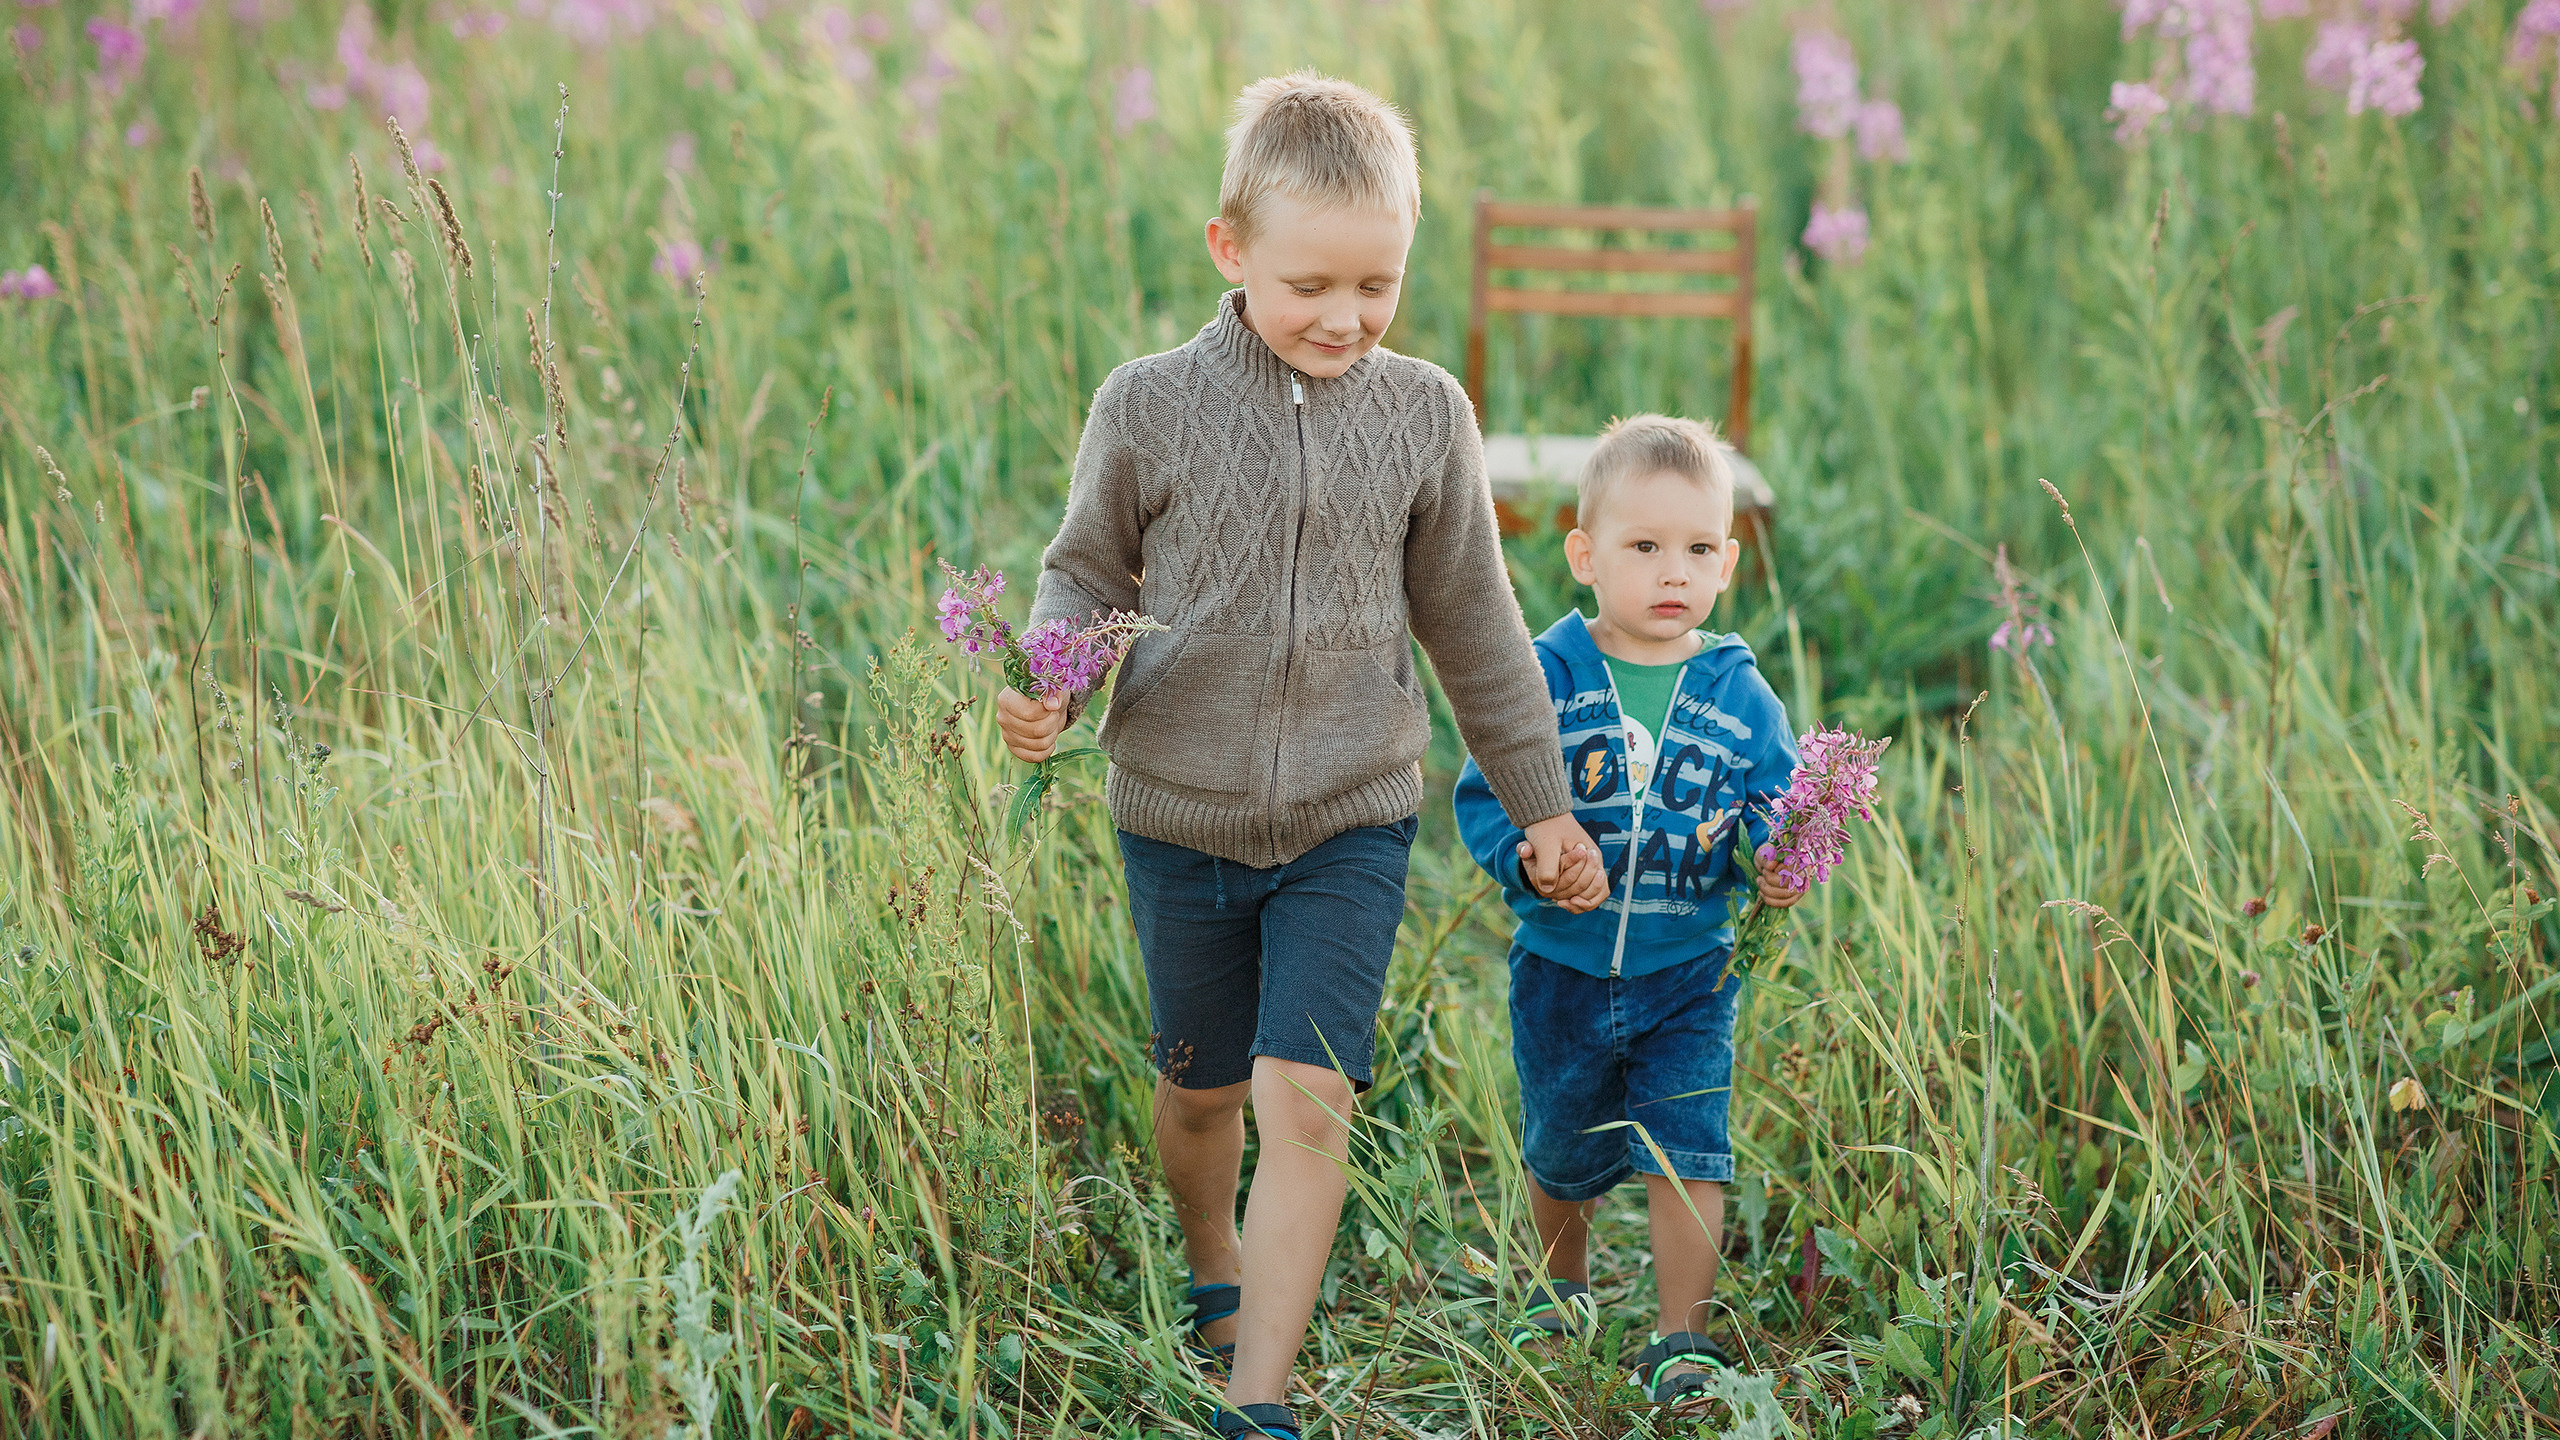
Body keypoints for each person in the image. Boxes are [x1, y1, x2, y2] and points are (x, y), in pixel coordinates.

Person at [996, 70, 1608, 1440]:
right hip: (1178, 811)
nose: (1344, 318)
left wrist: (1544, 809)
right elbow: (1082, 575)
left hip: (1351, 814)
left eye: (1377, 286)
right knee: (1204, 1091)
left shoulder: (1424, 414)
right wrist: (1046, 685)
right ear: (1230, 252)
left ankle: (1258, 1400)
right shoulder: (1147, 404)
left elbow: (1477, 629)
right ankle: (1211, 1256)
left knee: (1308, 1090)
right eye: (1310, 284)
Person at [1454, 413, 1804, 1406]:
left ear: (1728, 562)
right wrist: (1529, 857)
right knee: (1563, 1144)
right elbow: (1485, 790)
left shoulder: (1737, 691)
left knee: (1686, 1149)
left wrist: (1776, 860)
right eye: (1643, 547)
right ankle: (1560, 1286)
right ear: (1584, 555)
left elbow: (1779, 806)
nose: (1671, 572)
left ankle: (1678, 1337)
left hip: (1690, 970)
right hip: (1561, 965)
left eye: (1696, 549)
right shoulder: (1547, 674)